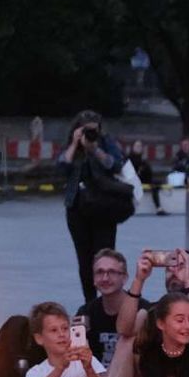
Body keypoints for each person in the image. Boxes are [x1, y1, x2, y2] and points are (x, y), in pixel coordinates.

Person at [60, 110, 129, 303]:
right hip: (77, 209)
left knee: (107, 257)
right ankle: (90, 303)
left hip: (104, 208)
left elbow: (116, 165)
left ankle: (109, 300)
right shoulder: (72, 146)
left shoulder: (106, 142)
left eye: (94, 130)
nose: (90, 134)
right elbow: (61, 166)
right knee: (84, 259)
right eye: (86, 130)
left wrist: (95, 149)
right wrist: (75, 144)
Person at [121, 248, 189, 361]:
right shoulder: (154, 309)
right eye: (169, 268)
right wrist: (139, 280)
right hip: (160, 374)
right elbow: (124, 330)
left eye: (182, 267)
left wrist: (188, 282)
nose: (173, 271)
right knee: (126, 343)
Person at [76, 249, 148, 369]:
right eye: (99, 272)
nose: (105, 278)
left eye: (112, 272)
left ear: (124, 278)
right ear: (93, 279)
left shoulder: (143, 308)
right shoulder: (87, 312)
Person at [129, 139, 166, 216]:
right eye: (137, 146)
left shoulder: (142, 159)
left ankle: (158, 208)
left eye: (140, 146)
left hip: (144, 179)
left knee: (157, 183)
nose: (138, 148)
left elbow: (148, 172)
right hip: (134, 181)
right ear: (133, 147)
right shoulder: (130, 158)